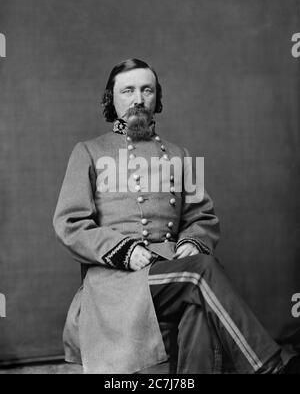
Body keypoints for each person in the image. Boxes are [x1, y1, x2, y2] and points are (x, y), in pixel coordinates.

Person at [53, 58, 299, 374]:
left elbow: (201, 217)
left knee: (200, 306)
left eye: (147, 90)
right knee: (200, 275)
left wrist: (194, 242)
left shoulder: (179, 154)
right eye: (127, 90)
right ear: (111, 99)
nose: (138, 99)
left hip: (173, 270)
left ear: (157, 99)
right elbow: (70, 224)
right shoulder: (88, 151)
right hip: (116, 280)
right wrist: (125, 252)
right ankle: (271, 368)